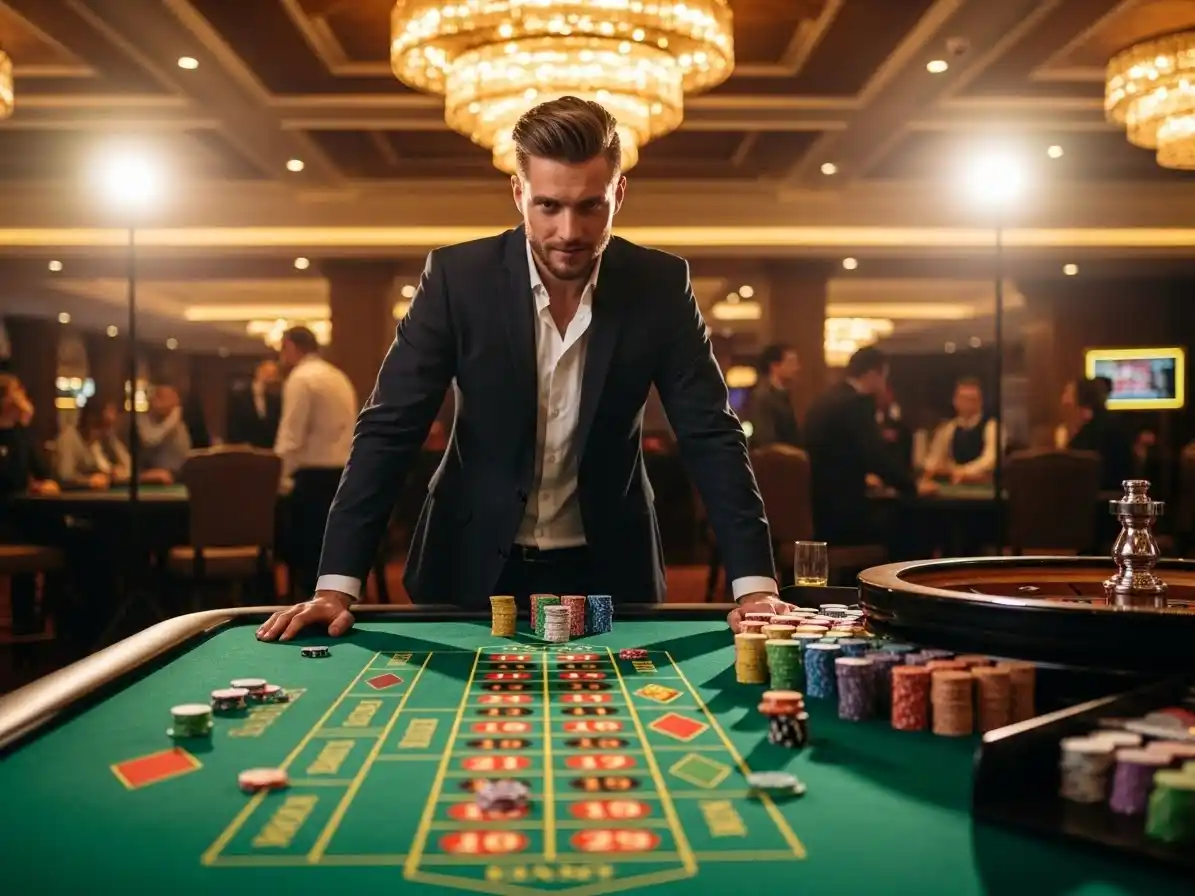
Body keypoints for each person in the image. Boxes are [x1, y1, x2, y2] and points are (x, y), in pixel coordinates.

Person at [258, 96, 782, 642]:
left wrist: (756, 588)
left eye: (590, 206)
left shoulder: (661, 284)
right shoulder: (458, 279)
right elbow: (389, 429)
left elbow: (711, 435)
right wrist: (334, 588)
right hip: (469, 561)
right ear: (519, 194)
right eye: (549, 206)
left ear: (619, 194)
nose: (569, 231)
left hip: (609, 566)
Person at [803, 346, 934, 552]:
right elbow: (877, 457)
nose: (884, 385)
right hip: (844, 519)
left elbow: (839, 458)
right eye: (884, 377)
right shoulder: (856, 402)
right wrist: (912, 487)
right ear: (874, 375)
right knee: (914, 519)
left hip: (818, 513)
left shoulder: (824, 400)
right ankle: (900, 583)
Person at [273, 326, 358, 599]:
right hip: (343, 478)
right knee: (330, 555)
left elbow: (291, 438)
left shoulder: (300, 378)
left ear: (289, 346)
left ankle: (301, 607)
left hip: (312, 482)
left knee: (304, 558)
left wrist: (278, 480)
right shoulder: (338, 376)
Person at [921, 377, 999, 484]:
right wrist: (931, 470)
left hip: (983, 486)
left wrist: (962, 472)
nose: (967, 403)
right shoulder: (947, 428)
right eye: (963, 398)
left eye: (972, 399)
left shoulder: (992, 426)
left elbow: (990, 459)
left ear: (980, 402)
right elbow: (934, 459)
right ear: (955, 401)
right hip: (954, 485)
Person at [1067, 377, 1132, 491]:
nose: (1064, 398)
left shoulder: (1097, 429)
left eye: (1068, 392)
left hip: (1101, 498)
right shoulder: (1107, 421)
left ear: (1081, 397)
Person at [0, 374, 59, 499]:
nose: (23, 395)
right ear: (4, 400)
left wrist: (45, 485)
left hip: (18, 509)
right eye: (16, 390)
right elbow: (9, 480)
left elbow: (44, 473)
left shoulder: (20, 432)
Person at [55, 399, 131, 489]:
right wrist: (88, 481)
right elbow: (65, 477)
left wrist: (113, 473)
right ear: (92, 420)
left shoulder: (98, 441)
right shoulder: (69, 438)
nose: (107, 432)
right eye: (105, 425)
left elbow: (129, 466)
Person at [747, 344, 801, 448]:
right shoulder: (763, 397)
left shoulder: (782, 395)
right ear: (774, 366)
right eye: (791, 362)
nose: (796, 368)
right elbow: (766, 440)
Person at [137, 384, 191, 482]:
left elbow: (166, 475)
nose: (156, 402)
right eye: (156, 396)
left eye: (162, 398)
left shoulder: (178, 434)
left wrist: (131, 477)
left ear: (175, 401)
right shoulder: (138, 426)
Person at [227, 359, 282, 448]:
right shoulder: (239, 397)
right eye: (267, 372)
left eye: (274, 374)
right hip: (245, 449)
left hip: (268, 450)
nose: (271, 376)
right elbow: (232, 426)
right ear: (258, 372)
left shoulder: (275, 400)